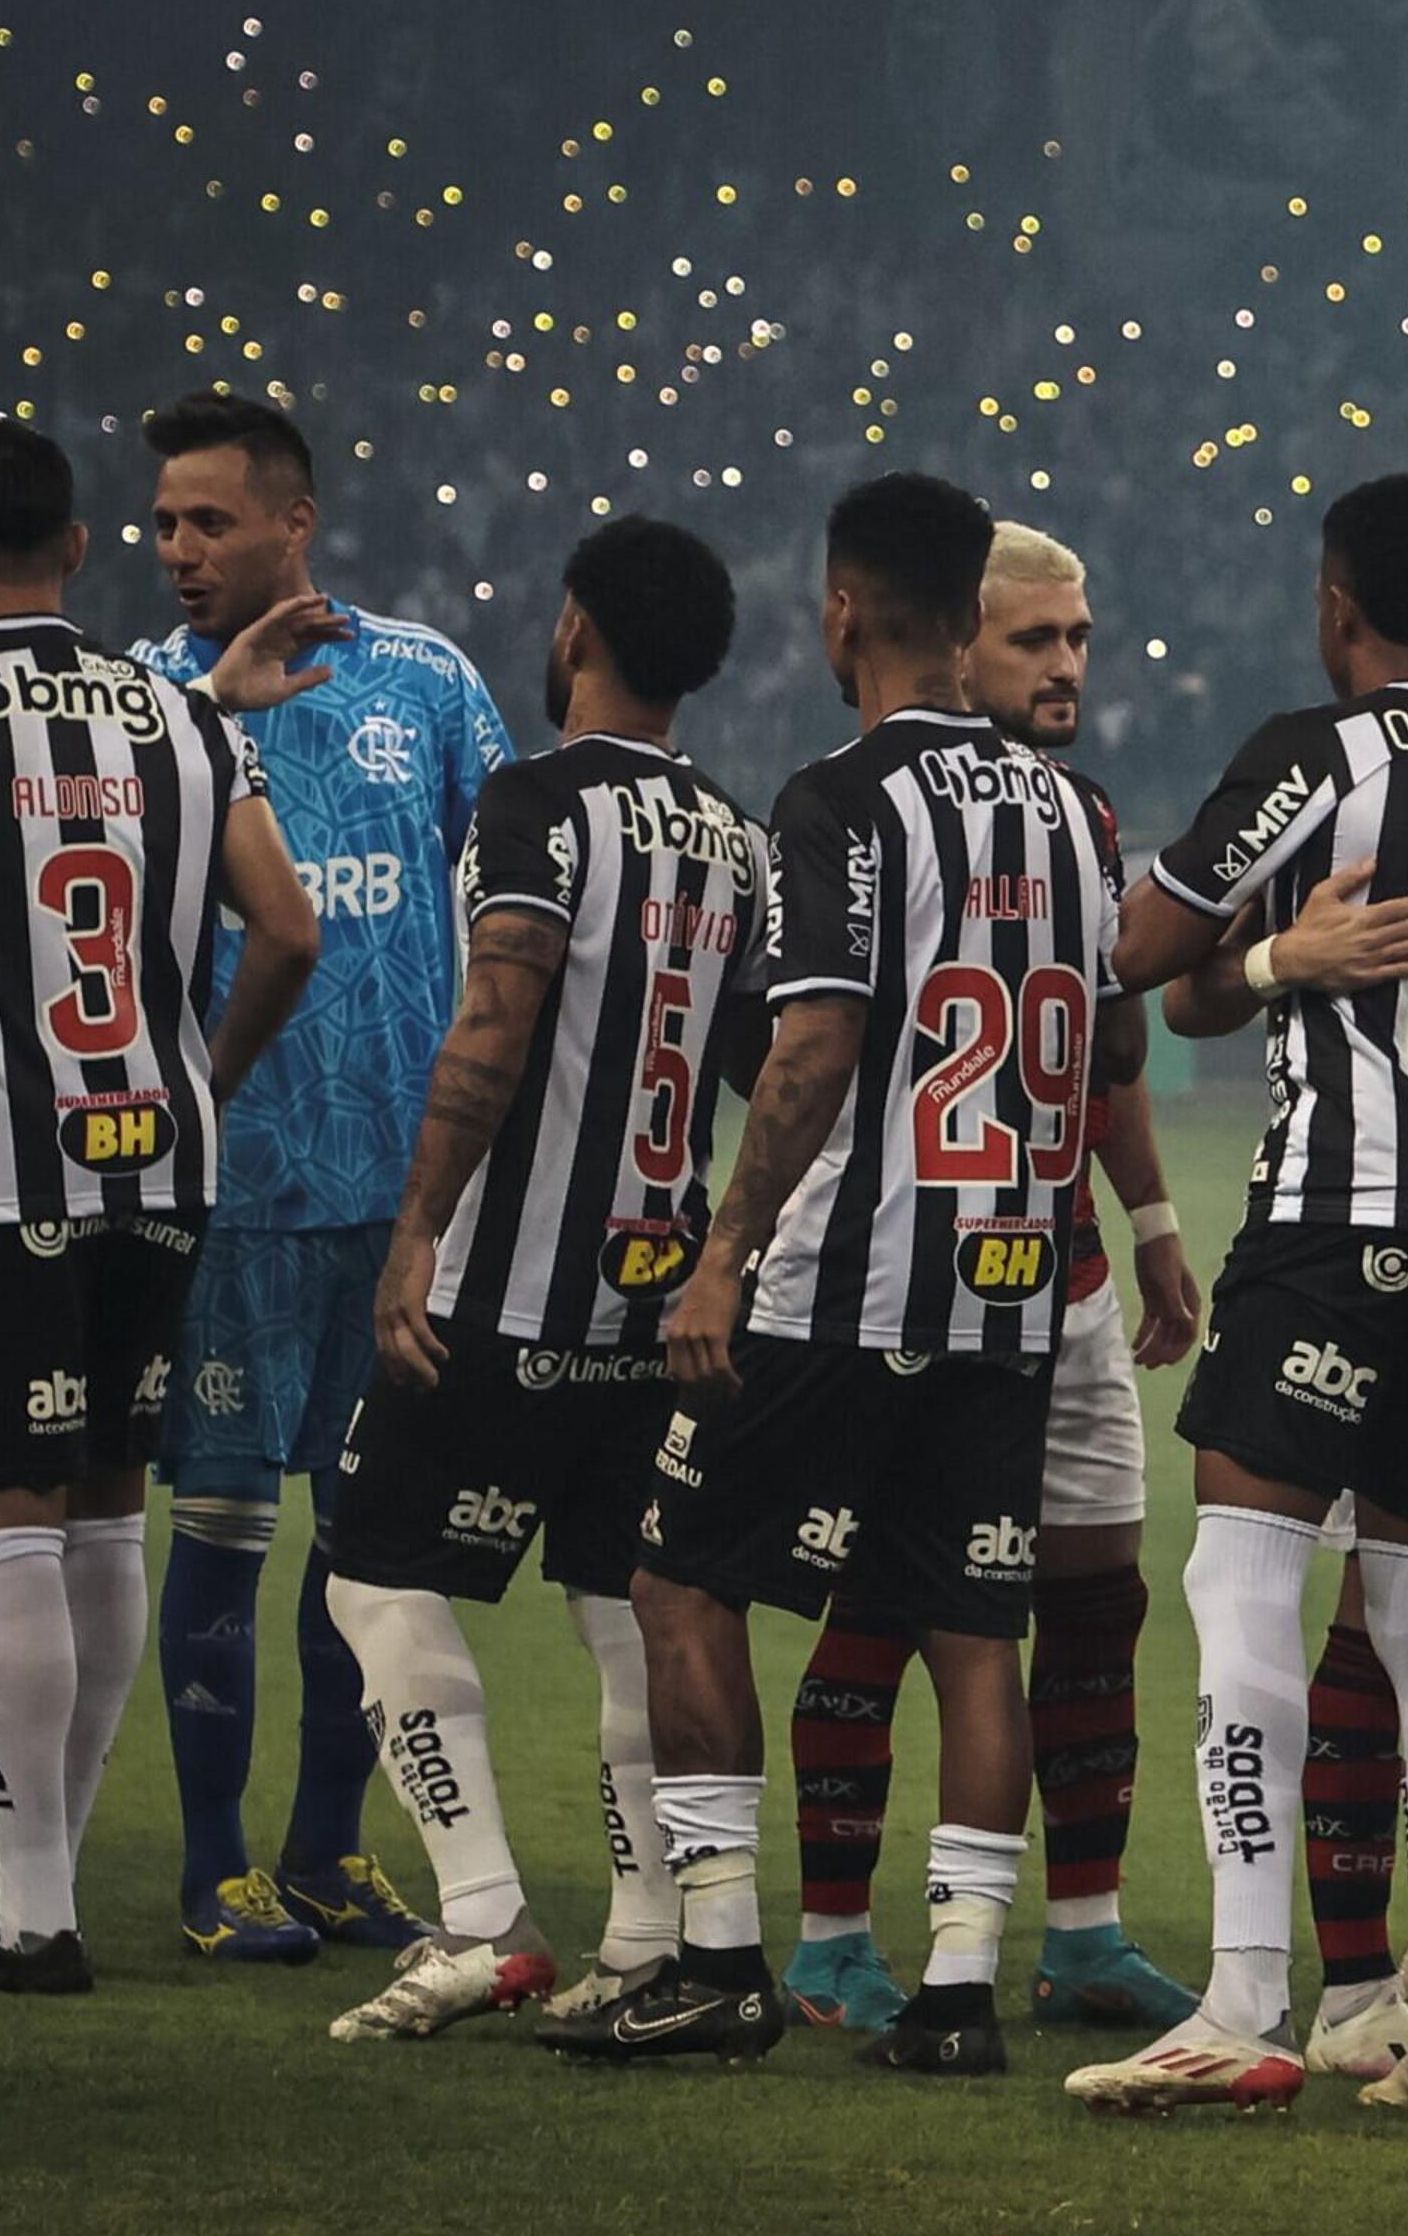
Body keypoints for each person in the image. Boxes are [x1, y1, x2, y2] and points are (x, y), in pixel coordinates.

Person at [556, 473, 1126, 2076]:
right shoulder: (1077, 817)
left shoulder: (840, 800)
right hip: (1010, 1288)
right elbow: (1105, 1036)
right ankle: (956, 1994)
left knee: (679, 1579)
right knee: (970, 1635)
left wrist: (723, 1255)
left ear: (847, 613)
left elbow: (814, 1043)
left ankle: (722, 1961)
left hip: (848, 1288)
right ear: (969, 617)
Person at [1069, 473, 1408, 2120]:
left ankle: (1244, 2000)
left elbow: (1143, 949)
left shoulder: (1324, 751)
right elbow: (1234, 983)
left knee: (1240, 1589)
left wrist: (1263, 958)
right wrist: (1280, 964)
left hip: (1330, 1228)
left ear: (1336, 601)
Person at [318, 518, 753, 2039]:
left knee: (370, 1567)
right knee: (621, 1604)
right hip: (657, 1300)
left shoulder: (537, 805)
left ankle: (486, 1915)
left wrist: (420, 1226)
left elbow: (498, 1016)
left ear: (574, 629)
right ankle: (643, 1936)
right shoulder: (737, 835)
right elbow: (762, 1067)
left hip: (512, 1292)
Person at [777, 521, 1202, 2037]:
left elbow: (1102, 1046)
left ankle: (1079, 1931)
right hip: (920, 1286)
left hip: (1066, 1285)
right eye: (1036, 641)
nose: (1069, 665)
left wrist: (1150, 1221)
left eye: (1081, 639)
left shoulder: (1078, 817)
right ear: (960, 645)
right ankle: (833, 1931)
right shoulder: (899, 816)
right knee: (896, 1601)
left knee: (1096, 1601)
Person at [0, 418, 315, 1991]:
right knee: (101, 1508)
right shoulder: (178, 717)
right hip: (162, 1165)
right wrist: (202, 1080)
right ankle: (51, 1889)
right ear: (79, 551)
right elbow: (286, 929)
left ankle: (33, 1921)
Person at [135, 391, 512, 1963]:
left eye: (209, 521)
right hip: (226, 1195)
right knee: (222, 1529)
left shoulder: (425, 682)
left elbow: (511, 893)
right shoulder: (148, 698)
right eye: (161, 524)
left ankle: (325, 1851)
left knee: (365, 1549)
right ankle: (214, 1865)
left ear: (295, 523)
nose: (178, 552)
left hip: (395, 1198)